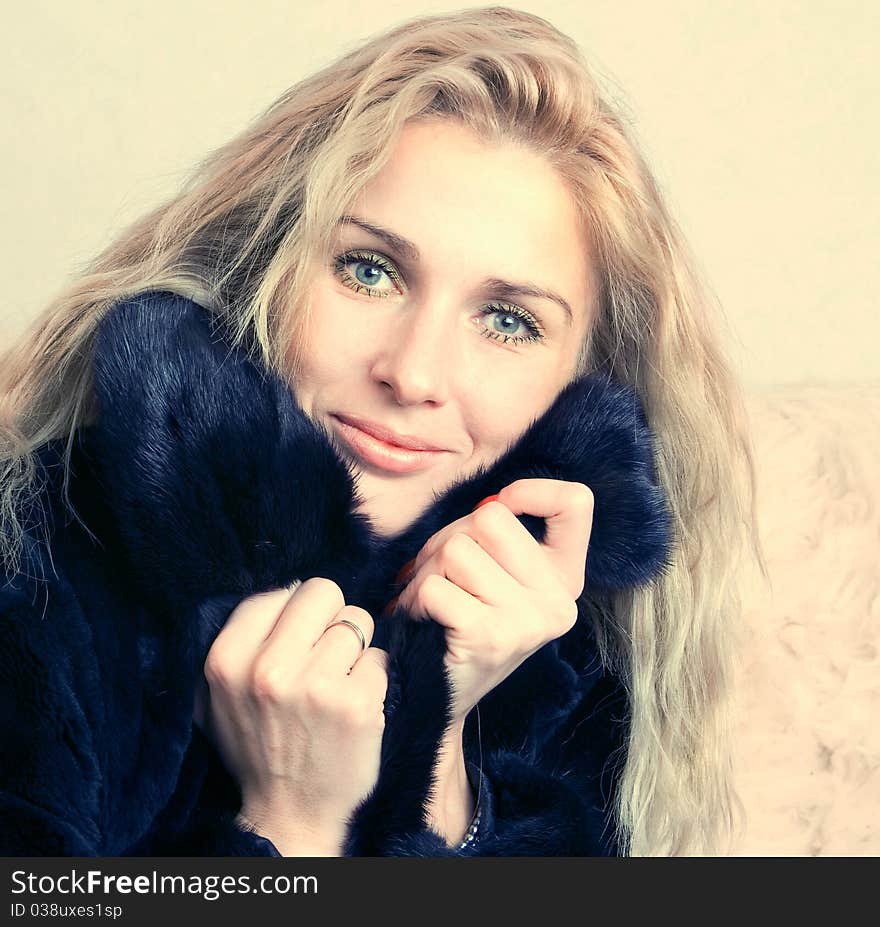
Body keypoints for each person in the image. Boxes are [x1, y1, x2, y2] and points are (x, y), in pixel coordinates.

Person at [0, 6, 763, 857]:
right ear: (271, 265)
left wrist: (432, 749)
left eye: (508, 321)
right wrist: (290, 822)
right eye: (370, 270)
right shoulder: (39, 552)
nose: (414, 372)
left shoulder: (570, 639)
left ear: (580, 381)